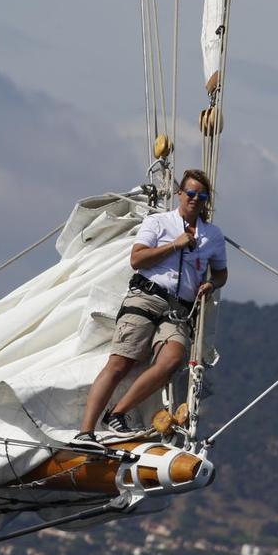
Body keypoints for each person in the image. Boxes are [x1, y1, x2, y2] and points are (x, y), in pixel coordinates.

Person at [73, 168, 227, 448]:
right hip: (146, 297)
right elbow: (137, 259)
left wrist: (211, 284)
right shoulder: (159, 223)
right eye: (190, 193)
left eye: (201, 195)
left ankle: (117, 413)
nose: (194, 199)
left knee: (171, 361)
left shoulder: (212, 236)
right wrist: (174, 246)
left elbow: (221, 273)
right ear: (181, 194)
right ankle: (85, 432)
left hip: (180, 309)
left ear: (206, 200)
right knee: (119, 363)